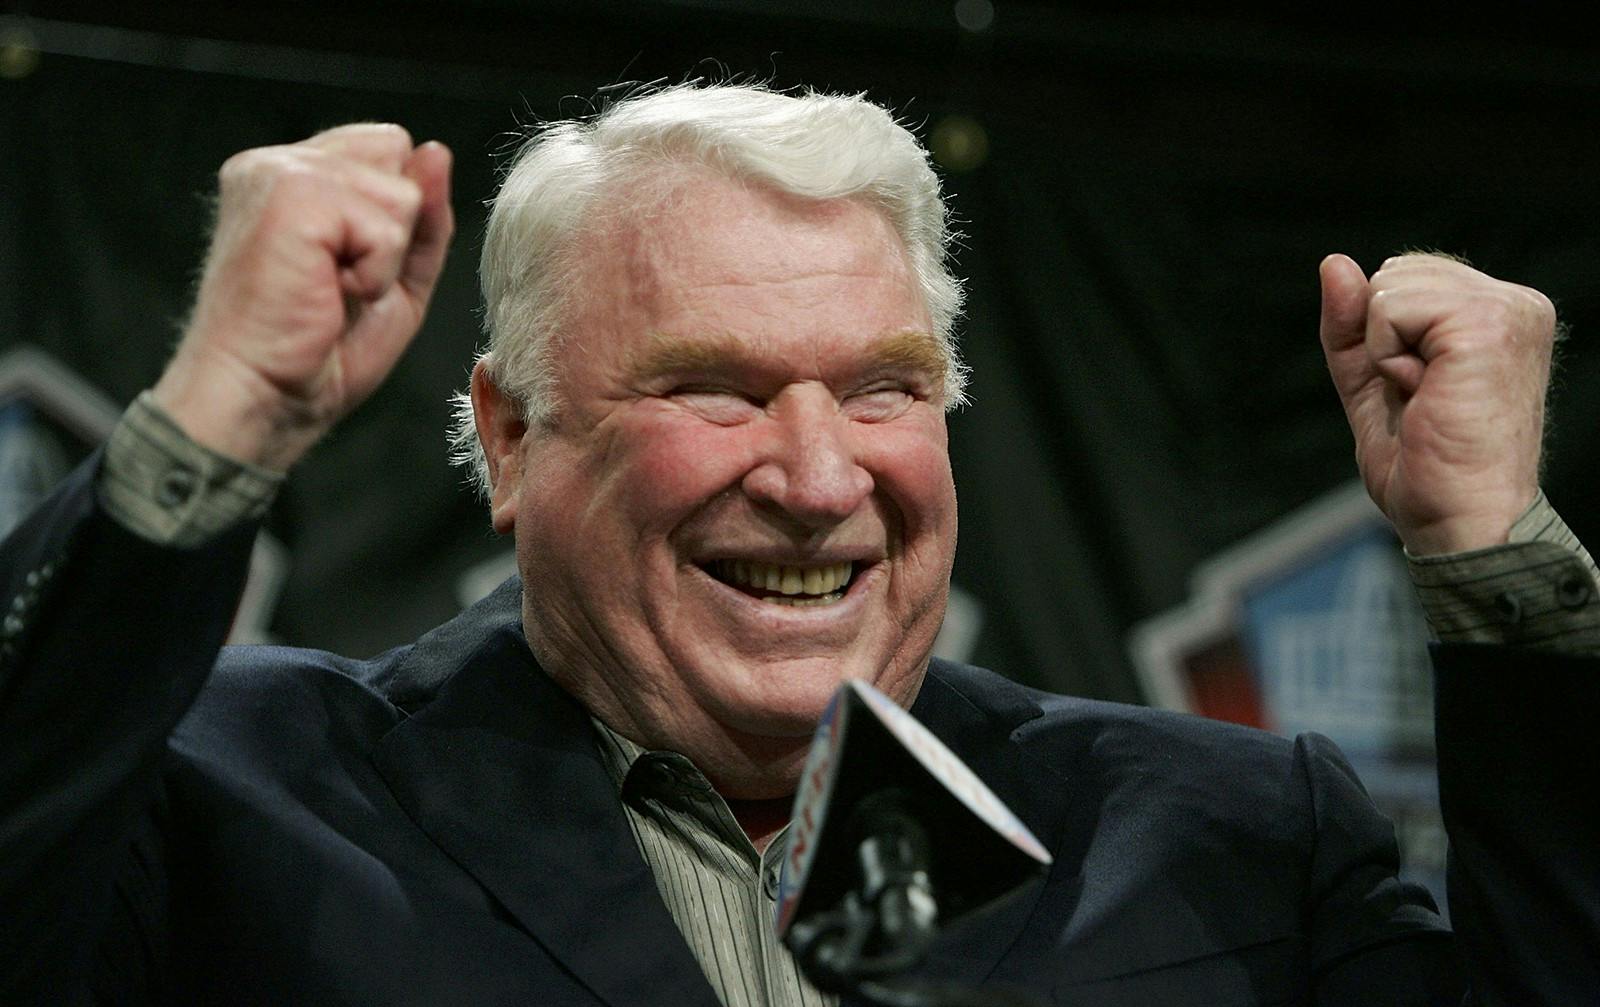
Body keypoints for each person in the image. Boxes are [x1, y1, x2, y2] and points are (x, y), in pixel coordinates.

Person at [1, 83, 1595, 1005]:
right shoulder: (232, 799)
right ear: (507, 434)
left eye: (887, 389)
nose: (822, 478)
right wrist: (209, 425)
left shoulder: (1228, 837)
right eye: (715, 388)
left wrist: (1492, 567)